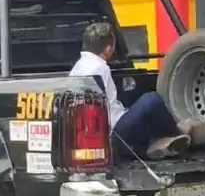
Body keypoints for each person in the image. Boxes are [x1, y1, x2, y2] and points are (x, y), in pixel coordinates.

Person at [69, 22, 196, 161]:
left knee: (137, 113)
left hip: (102, 132)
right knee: (151, 100)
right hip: (113, 132)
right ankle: (174, 132)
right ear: (108, 48)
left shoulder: (78, 67)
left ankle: (149, 148)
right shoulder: (100, 68)